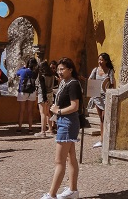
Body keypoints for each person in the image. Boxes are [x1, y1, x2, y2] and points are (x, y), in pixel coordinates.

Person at [42, 57, 82, 199]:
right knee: (71, 157)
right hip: (64, 122)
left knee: (59, 161)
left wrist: (58, 111)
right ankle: (73, 190)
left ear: (70, 70)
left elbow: (74, 106)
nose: (59, 72)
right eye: (58, 69)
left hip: (67, 122)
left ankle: (51, 194)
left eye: (62, 69)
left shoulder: (73, 84)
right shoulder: (65, 82)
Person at [88, 53, 115, 148]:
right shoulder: (95, 70)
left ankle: (105, 139)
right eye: (99, 59)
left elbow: (112, 83)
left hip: (106, 96)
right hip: (97, 97)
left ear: (106, 61)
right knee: (101, 118)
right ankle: (102, 139)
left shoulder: (110, 71)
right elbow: (90, 80)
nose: (100, 62)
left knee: (105, 118)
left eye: (102, 60)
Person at [17, 57, 39, 132]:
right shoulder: (35, 72)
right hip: (32, 92)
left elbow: (17, 73)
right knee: (30, 111)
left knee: (21, 110)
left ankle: (19, 128)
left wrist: (24, 66)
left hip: (22, 91)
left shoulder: (23, 71)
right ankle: (30, 128)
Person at [36, 60, 57, 137]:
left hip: (43, 95)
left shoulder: (42, 76)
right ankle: (50, 129)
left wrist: (44, 98)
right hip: (50, 94)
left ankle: (43, 131)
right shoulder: (52, 75)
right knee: (47, 112)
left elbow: (43, 87)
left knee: (43, 113)